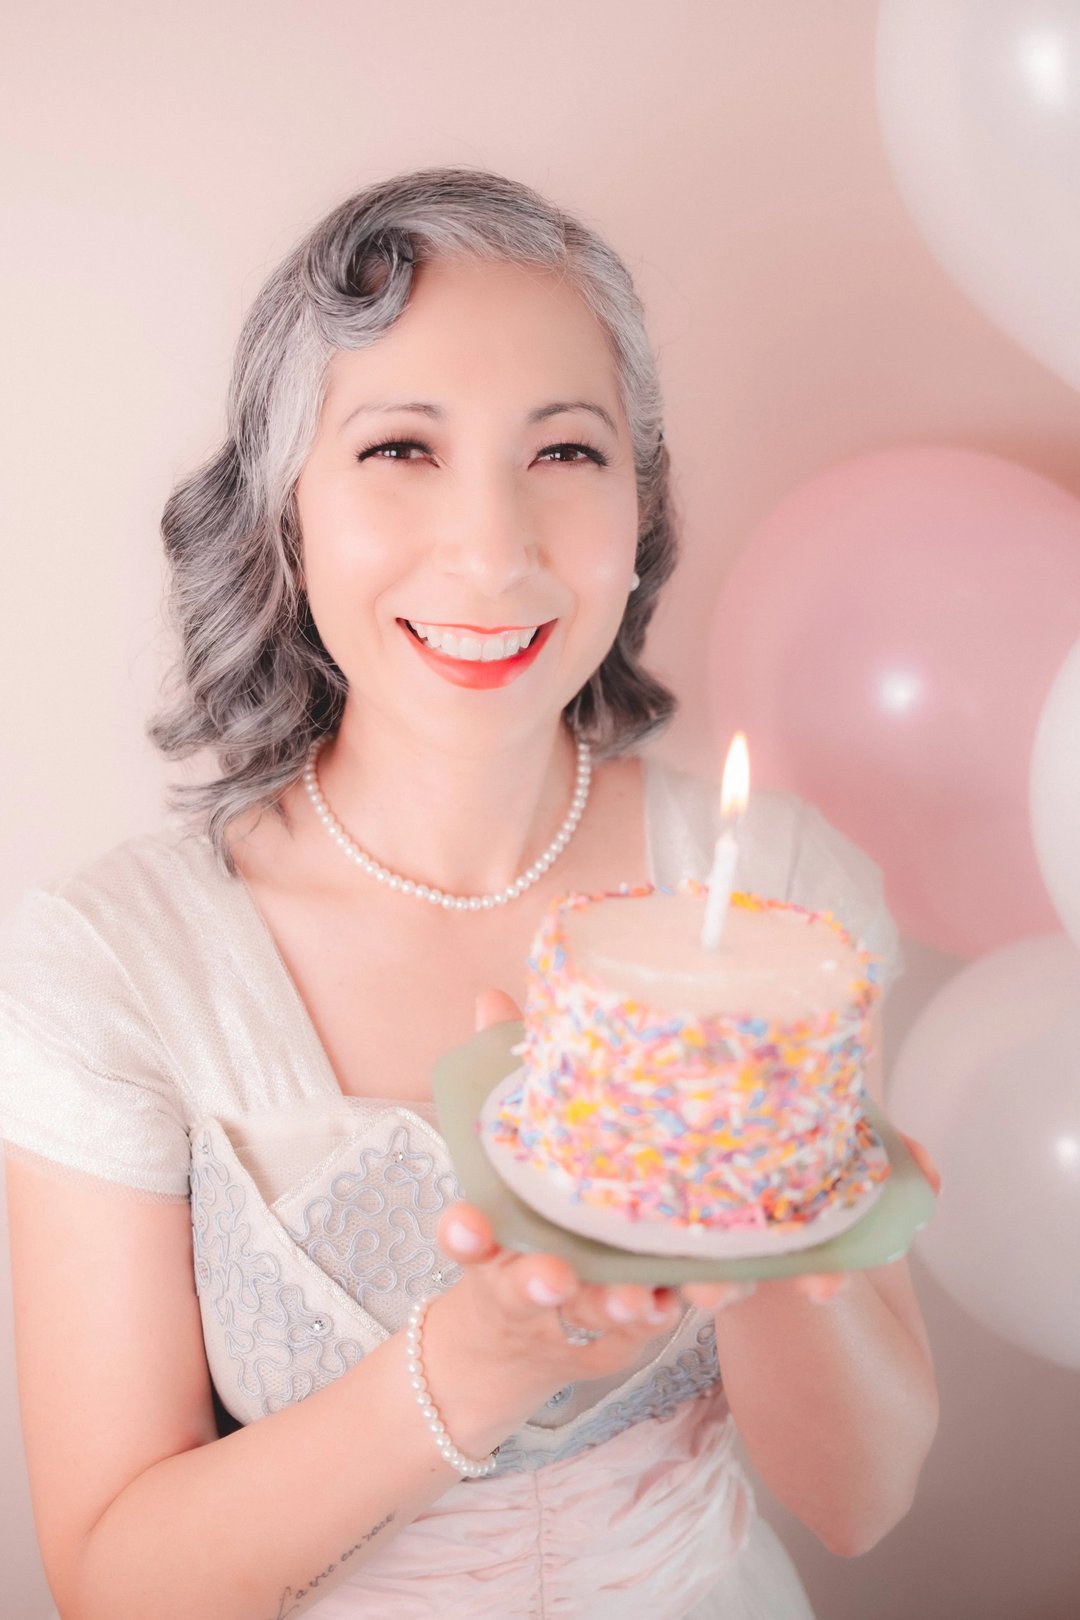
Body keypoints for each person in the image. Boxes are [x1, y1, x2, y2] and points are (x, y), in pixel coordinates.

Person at [0, 166, 938, 1620]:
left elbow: (861, 1503)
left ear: (639, 505)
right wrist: (484, 1360)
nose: (494, 553)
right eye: (398, 451)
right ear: (285, 512)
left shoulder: (777, 907)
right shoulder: (110, 969)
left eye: (564, 454)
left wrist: (764, 1223)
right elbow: (113, 1586)